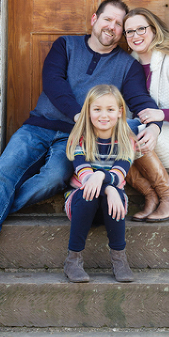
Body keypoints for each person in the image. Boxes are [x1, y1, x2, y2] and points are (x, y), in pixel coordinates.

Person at [0, 0, 163, 274]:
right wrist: (81, 116)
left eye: (119, 24)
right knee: (5, 174)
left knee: (52, 179)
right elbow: (54, 84)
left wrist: (154, 126)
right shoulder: (65, 45)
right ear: (94, 19)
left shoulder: (126, 66)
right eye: (108, 19)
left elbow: (141, 101)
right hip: (38, 127)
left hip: (74, 139)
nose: (113, 27)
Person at [122, 7, 169, 223]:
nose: (136, 36)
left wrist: (160, 115)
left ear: (154, 30)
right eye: (129, 32)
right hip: (141, 138)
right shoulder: (130, 64)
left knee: (124, 131)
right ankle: (151, 196)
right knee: (107, 133)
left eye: (141, 29)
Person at [62, 84, 135, 283]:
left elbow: (119, 173)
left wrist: (107, 183)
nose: (104, 115)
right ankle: (73, 260)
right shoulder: (79, 139)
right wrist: (106, 183)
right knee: (90, 193)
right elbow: (84, 175)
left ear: (120, 112)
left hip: (111, 207)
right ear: (88, 111)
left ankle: (119, 259)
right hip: (81, 204)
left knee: (115, 193)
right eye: (97, 109)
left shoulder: (126, 140)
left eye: (110, 110)